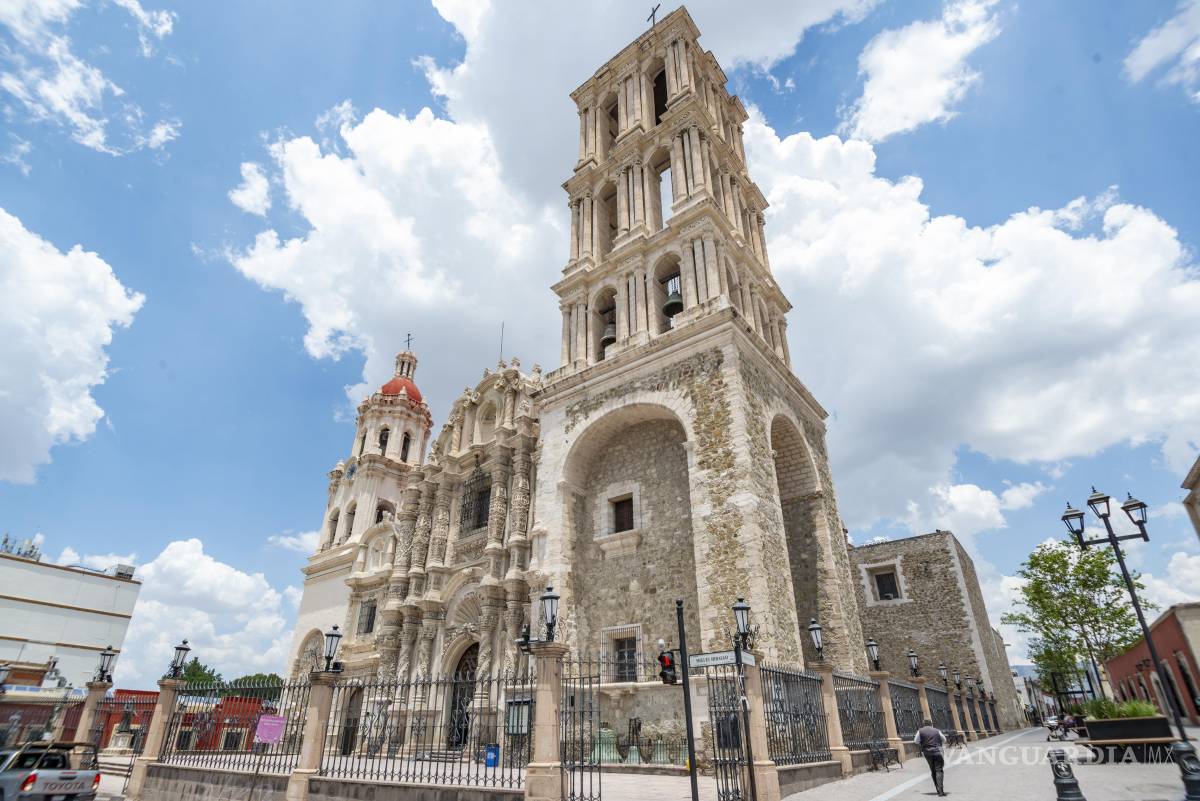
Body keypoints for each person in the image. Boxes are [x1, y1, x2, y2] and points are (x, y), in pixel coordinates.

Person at [914, 717, 947, 796]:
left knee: (933, 770)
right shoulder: (937, 731)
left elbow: (916, 741)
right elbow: (944, 740)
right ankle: (940, 791)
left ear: (923, 724)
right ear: (931, 723)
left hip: (927, 752)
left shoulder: (920, 731)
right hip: (937, 751)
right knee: (939, 770)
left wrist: (923, 744)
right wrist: (938, 743)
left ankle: (938, 789)